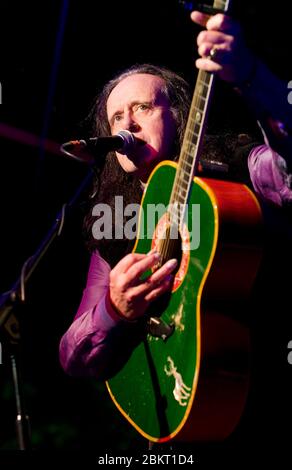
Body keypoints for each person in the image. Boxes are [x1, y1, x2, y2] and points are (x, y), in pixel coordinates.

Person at [59, 10, 292, 458]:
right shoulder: (119, 222)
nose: (126, 124)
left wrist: (251, 77)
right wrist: (114, 309)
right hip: (180, 420)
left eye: (143, 108)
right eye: (116, 117)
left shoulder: (236, 168)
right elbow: (73, 356)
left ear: (179, 115)